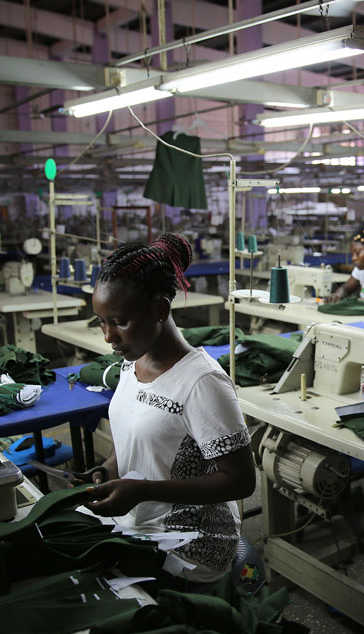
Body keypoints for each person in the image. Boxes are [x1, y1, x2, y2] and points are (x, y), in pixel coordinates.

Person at [83, 233, 256, 585]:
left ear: (160, 310)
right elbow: (137, 437)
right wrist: (107, 471)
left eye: (119, 321)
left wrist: (143, 490)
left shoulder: (201, 382)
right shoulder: (132, 362)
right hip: (138, 521)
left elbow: (241, 480)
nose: (108, 337)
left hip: (191, 544)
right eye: (101, 322)